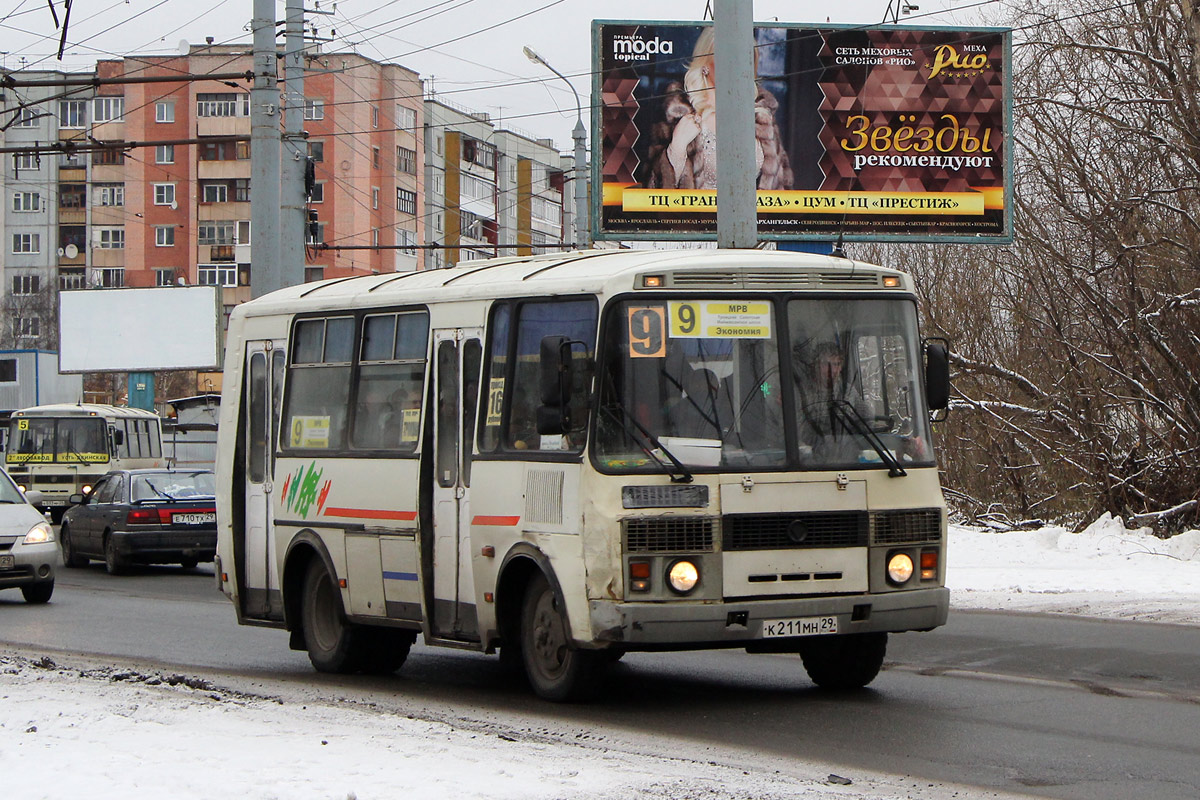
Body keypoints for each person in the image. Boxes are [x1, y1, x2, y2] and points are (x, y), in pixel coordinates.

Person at [645, 27, 793, 191]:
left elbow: (782, 190)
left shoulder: (761, 116)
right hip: (698, 216)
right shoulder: (677, 113)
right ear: (706, 63)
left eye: (745, 59)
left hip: (750, 217)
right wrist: (677, 147)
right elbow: (653, 190)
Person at [795, 342, 867, 464]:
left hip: (848, 460)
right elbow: (796, 432)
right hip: (813, 460)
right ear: (816, 365)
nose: (834, 370)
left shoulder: (848, 391)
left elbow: (866, 419)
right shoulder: (801, 393)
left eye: (837, 364)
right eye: (827, 365)